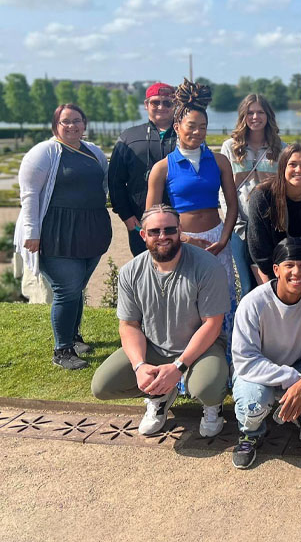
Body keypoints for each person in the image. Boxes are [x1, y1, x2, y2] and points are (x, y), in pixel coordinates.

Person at [91, 205, 230, 438]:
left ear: (180, 230)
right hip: (154, 347)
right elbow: (129, 325)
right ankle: (159, 396)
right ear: (143, 235)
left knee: (207, 387)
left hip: (200, 350)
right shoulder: (130, 272)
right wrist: (139, 366)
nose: (163, 236)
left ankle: (213, 406)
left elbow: (212, 325)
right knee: (102, 386)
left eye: (169, 230)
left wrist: (179, 367)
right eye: (155, 231)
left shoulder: (207, 266)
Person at [230, 238, 301, 469]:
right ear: (276, 270)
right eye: (289, 265)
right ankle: (250, 433)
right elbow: (246, 360)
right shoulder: (253, 302)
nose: (296, 272)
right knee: (252, 406)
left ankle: (299, 414)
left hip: (299, 366)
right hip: (256, 373)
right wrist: (297, 381)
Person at [15, 103, 111, 370]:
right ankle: (62, 350)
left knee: (76, 287)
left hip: (90, 232)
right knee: (66, 288)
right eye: (65, 121)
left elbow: (102, 185)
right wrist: (33, 233)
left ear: (85, 124)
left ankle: (74, 337)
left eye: (77, 120)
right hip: (55, 233)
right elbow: (30, 194)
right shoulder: (43, 152)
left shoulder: (94, 152)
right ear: (55, 125)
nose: (72, 126)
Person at [146, 80, 239, 342]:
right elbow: (150, 217)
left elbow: (232, 206)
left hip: (217, 241)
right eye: (192, 126)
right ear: (177, 127)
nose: (198, 132)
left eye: (203, 127)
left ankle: (226, 358)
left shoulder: (219, 161)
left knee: (221, 300)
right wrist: (184, 239)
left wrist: (223, 239)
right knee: (186, 301)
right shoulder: (162, 168)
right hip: (181, 242)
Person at [220, 94, 286, 294]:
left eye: (260, 112)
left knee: (270, 281)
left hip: (269, 224)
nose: (255, 117)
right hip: (240, 225)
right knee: (247, 285)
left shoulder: (281, 148)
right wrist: (232, 221)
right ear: (243, 116)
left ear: (268, 115)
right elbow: (224, 189)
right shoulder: (230, 147)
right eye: (250, 112)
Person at [247, 143, 301, 288]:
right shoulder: (263, 196)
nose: (298, 170)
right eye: (292, 164)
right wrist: (277, 278)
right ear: (282, 168)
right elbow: (259, 246)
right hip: (272, 265)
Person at [108, 82, 177, 257]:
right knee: (145, 273)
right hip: (140, 224)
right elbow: (115, 181)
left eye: (167, 102)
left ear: (175, 105)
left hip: (180, 224)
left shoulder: (187, 135)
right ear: (146, 105)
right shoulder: (129, 137)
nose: (161, 107)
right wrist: (126, 216)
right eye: (155, 102)